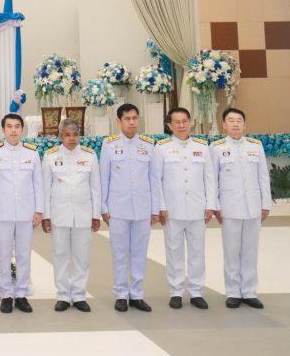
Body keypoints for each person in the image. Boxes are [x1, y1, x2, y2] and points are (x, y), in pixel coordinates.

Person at [152, 108, 214, 310]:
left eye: (184, 121)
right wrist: (161, 206)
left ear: (190, 123)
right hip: (172, 209)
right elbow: (156, 180)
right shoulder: (161, 148)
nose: (181, 125)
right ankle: (176, 291)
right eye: (176, 122)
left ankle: (196, 292)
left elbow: (210, 179)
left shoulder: (202, 147)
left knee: (197, 252)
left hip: (197, 208)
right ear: (169, 125)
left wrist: (210, 205)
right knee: (174, 252)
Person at [211, 108, 272, 309]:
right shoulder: (217, 148)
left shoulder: (255, 146)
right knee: (231, 252)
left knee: (250, 251)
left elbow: (263, 176)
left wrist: (265, 204)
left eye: (239, 120)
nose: (235, 124)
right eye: (231, 120)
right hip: (229, 208)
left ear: (244, 125)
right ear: (224, 125)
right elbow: (213, 180)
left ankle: (249, 291)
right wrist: (216, 206)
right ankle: (233, 292)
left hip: (253, 207)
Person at [100, 103, 156, 313]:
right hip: (118, 208)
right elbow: (104, 179)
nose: (132, 122)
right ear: (119, 121)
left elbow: (154, 179)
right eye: (127, 119)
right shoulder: (109, 145)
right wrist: (103, 207)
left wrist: (155, 209)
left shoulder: (148, 145)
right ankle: (121, 294)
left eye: (134, 118)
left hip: (142, 208)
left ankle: (137, 294)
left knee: (140, 253)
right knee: (120, 252)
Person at [41, 118, 100, 312]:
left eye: (75, 134)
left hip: (83, 214)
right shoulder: (50, 156)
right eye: (67, 135)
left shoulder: (90, 156)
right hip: (59, 214)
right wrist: (46, 216)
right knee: (60, 255)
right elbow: (45, 189)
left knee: (82, 256)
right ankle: (63, 295)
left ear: (79, 135)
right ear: (60, 136)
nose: (72, 138)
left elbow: (95, 188)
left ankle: (79, 294)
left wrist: (96, 215)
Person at [0, 113, 42, 314]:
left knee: (24, 254)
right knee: (4, 254)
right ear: (3, 130)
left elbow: (38, 184)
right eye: (9, 126)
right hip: (3, 213)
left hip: (26, 212)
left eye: (17, 126)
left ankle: (21, 294)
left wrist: (39, 210)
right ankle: (6, 294)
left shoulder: (32, 153)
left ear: (22, 130)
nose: (13, 130)